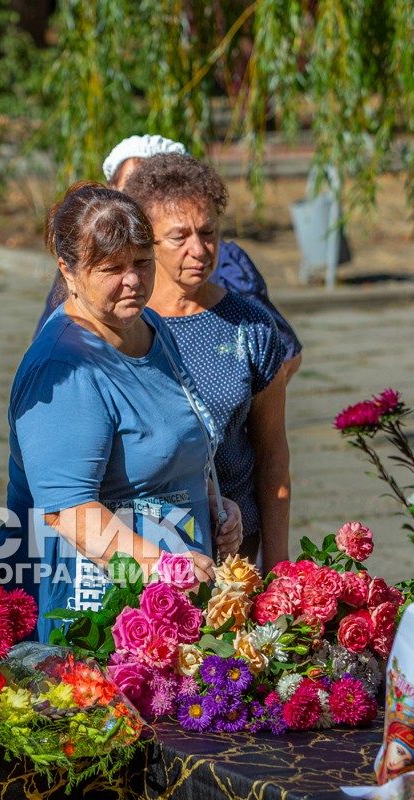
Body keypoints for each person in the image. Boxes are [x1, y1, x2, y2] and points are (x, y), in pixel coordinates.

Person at [0, 182, 244, 642]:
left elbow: (171, 441)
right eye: (112, 268)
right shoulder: (63, 367)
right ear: (67, 272)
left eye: (142, 263)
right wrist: (161, 567)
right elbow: (68, 513)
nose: (133, 280)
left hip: (173, 595)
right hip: (101, 611)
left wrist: (210, 502)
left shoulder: (152, 328)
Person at [123, 154, 290, 572]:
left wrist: (279, 565)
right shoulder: (123, 325)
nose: (199, 250)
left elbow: (272, 452)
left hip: (235, 552)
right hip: (142, 551)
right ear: (147, 240)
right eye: (179, 237)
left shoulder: (251, 325)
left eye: (209, 232)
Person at [35, 134, 303, 383]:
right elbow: (55, 360)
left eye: (207, 232)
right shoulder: (93, 280)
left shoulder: (230, 273)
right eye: (127, 192)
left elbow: (280, 354)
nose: (197, 249)